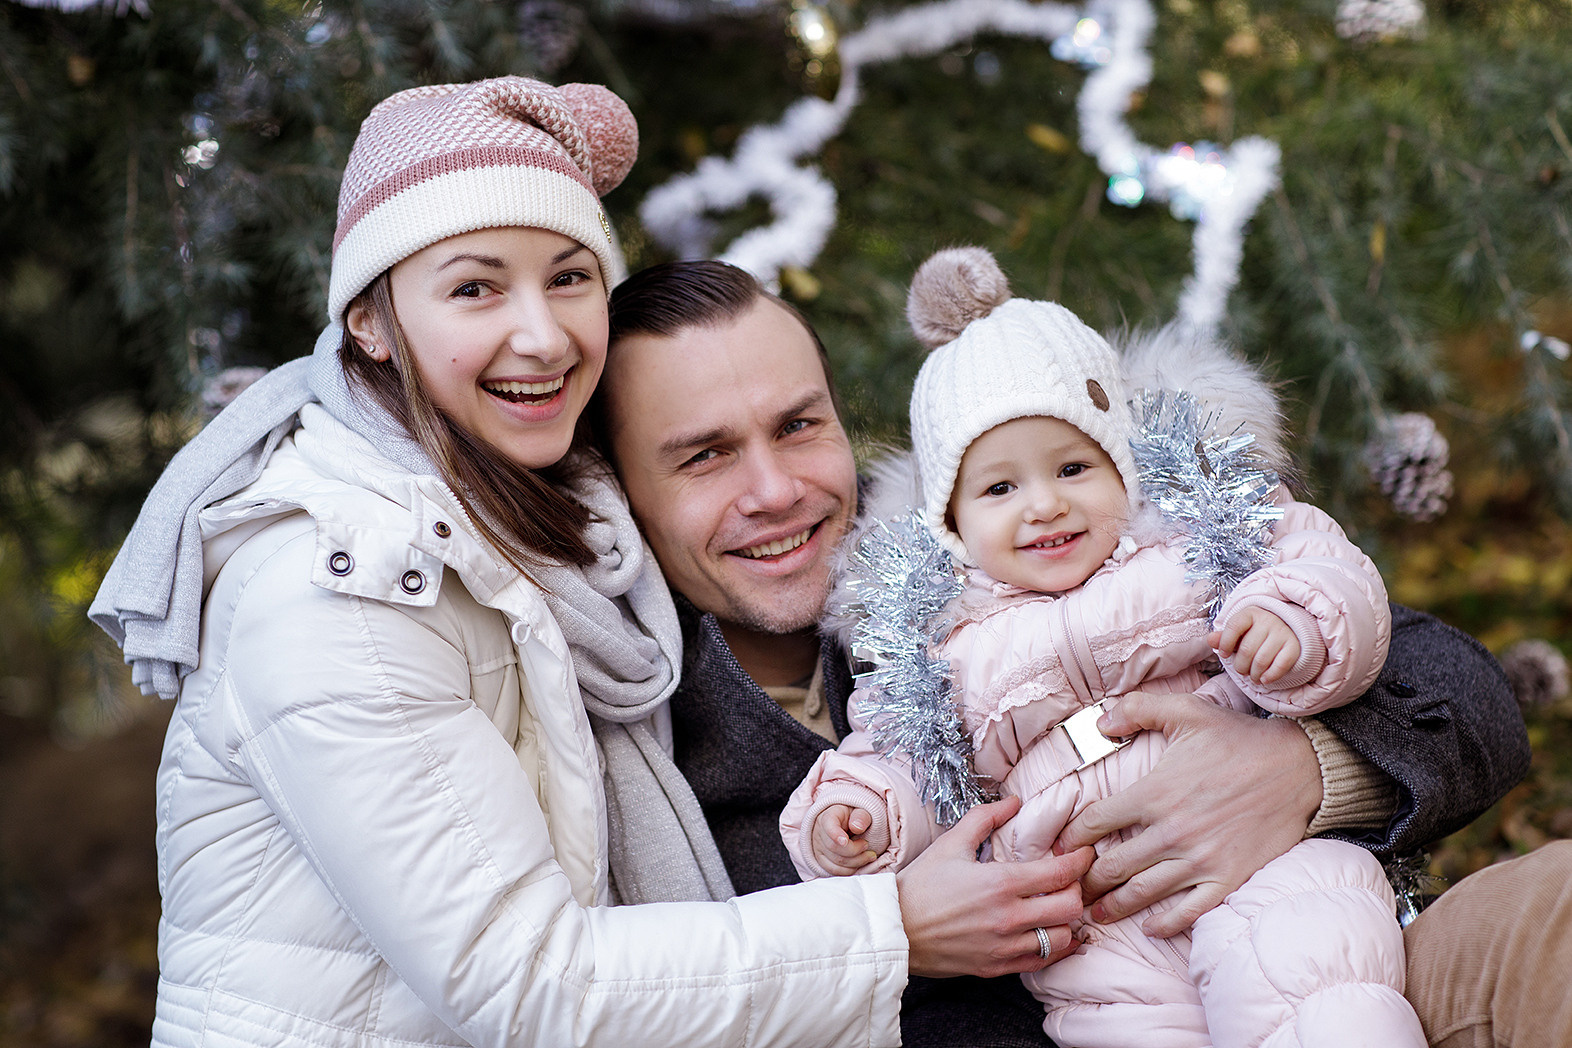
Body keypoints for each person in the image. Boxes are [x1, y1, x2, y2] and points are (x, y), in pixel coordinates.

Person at [87, 77, 1099, 1048]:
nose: (539, 333)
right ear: (369, 320)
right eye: (475, 285)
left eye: (569, 277)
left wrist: (1257, 767)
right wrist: (898, 929)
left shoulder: (957, 579)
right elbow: (531, 982)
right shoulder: (342, 592)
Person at [595, 257, 1567, 1048]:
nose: (775, 490)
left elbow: (1466, 696)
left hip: (1317, 968)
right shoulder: (642, 746)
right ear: (619, 494)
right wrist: (895, 932)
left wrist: (1302, 770)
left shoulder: (980, 567)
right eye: (704, 455)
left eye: (798, 426)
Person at [780, 246, 1423, 1046]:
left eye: (1074, 466)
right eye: (1000, 487)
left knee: (1313, 985)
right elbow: (898, 755)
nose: (1044, 505)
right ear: (952, 524)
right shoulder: (935, 645)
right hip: (1097, 930)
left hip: (1267, 865)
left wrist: (1294, 626)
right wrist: (858, 816)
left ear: (1123, 467)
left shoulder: (1193, 540)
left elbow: (1329, 573)